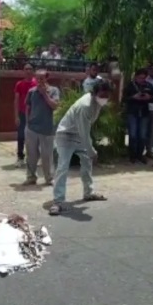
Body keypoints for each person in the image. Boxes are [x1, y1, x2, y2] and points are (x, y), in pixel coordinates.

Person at [49, 80, 112, 216]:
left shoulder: (96, 103)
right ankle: (58, 201)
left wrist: (89, 152)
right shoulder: (85, 105)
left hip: (79, 135)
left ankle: (88, 193)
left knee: (86, 162)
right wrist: (92, 151)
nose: (105, 98)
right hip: (66, 135)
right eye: (102, 95)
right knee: (63, 167)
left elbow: (85, 131)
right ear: (94, 93)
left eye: (107, 95)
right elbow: (84, 132)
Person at [22, 69, 60, 186]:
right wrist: (28, 123)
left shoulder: (53, 90)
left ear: (46, 78)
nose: (39, 81)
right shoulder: (31, 91)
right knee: (31, 155)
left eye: (41, 78)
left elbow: (54, 106)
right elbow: (27, 106)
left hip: (47, 128)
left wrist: (44, 94)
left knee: (46, 156)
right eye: (37, 78)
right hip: (32, 128)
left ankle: (49, 178)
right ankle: (31, 176)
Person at [122, 68, 153, 164]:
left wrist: (148, 97)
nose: (142, 80)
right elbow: (124, 99)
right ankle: (132, 155)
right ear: (136, 77)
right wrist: (133, 97)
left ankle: (140, 155)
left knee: (142, 135)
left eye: (143, 78)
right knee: (132, 135)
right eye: (140, 78)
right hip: (132, 113)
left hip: (144, 113)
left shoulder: (149, 86)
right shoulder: (130, 86)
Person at [13, 64, 36, 167]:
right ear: (23, 71)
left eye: (30, 69)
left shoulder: (36, 83)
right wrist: (16, 116)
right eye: (26, 69)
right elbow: (16, 100)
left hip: (34, 114)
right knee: (21, 136)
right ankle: (20, 157)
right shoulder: (19, 84)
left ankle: (32, 157)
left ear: (33, 71)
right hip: (22, 114)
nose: (28, 71)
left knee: (34, 137)